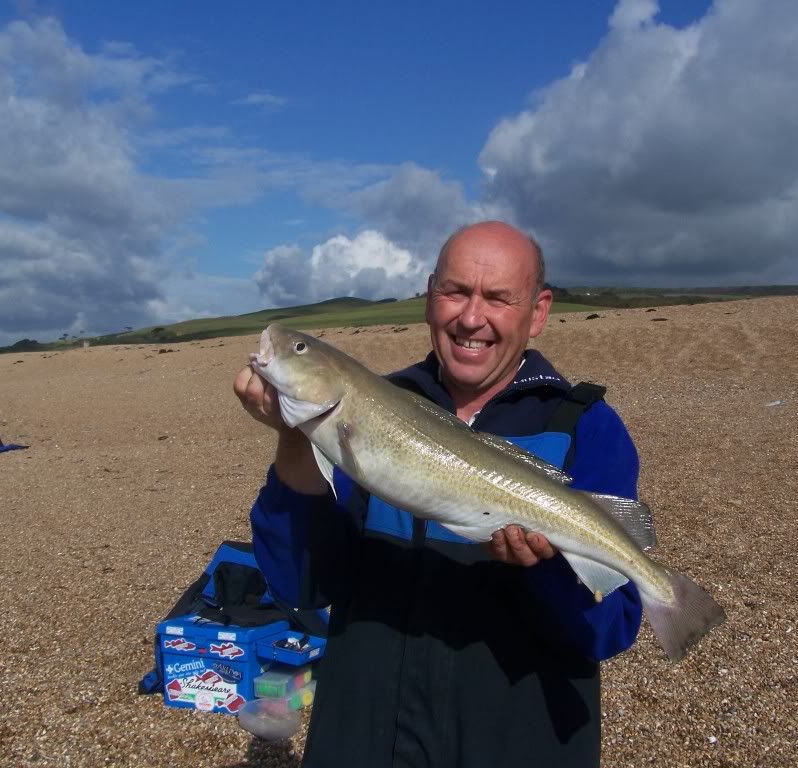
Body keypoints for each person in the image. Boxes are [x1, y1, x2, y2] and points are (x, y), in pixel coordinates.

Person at [234, 221, 644, 768]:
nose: (471, 317)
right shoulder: (376, 406)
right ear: (429, 296)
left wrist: (546, 568)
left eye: (498, 298)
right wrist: (293, 438)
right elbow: (301, 584)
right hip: (364, 740)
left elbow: (611, 628)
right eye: (455, 292)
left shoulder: (585, 429)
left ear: (539, 311)